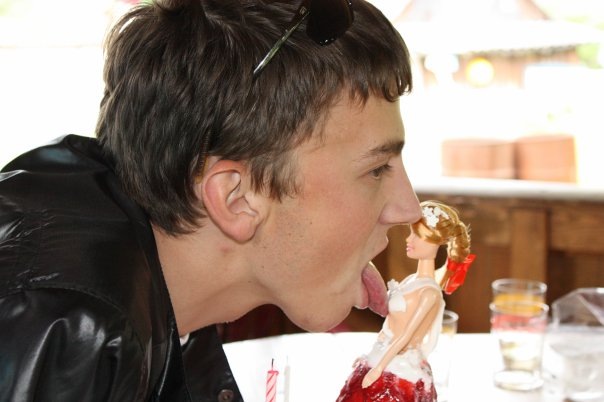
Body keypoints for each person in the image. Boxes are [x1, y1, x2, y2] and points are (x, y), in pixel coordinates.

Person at [0, 0, 422, 400]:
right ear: (236, 198)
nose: (409, 209)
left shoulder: (158, 293)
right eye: (376, 169)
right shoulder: (69, 329)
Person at [337, 200, 475, 402]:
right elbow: (390, 326)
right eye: (411, 233)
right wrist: (371, 357)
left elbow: (406, 336)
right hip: (382, 354)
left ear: (434, 242)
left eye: (417, 235)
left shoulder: (430, 293)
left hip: (402, 368)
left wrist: (379, 368)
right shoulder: (411, 280)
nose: (409, 239)